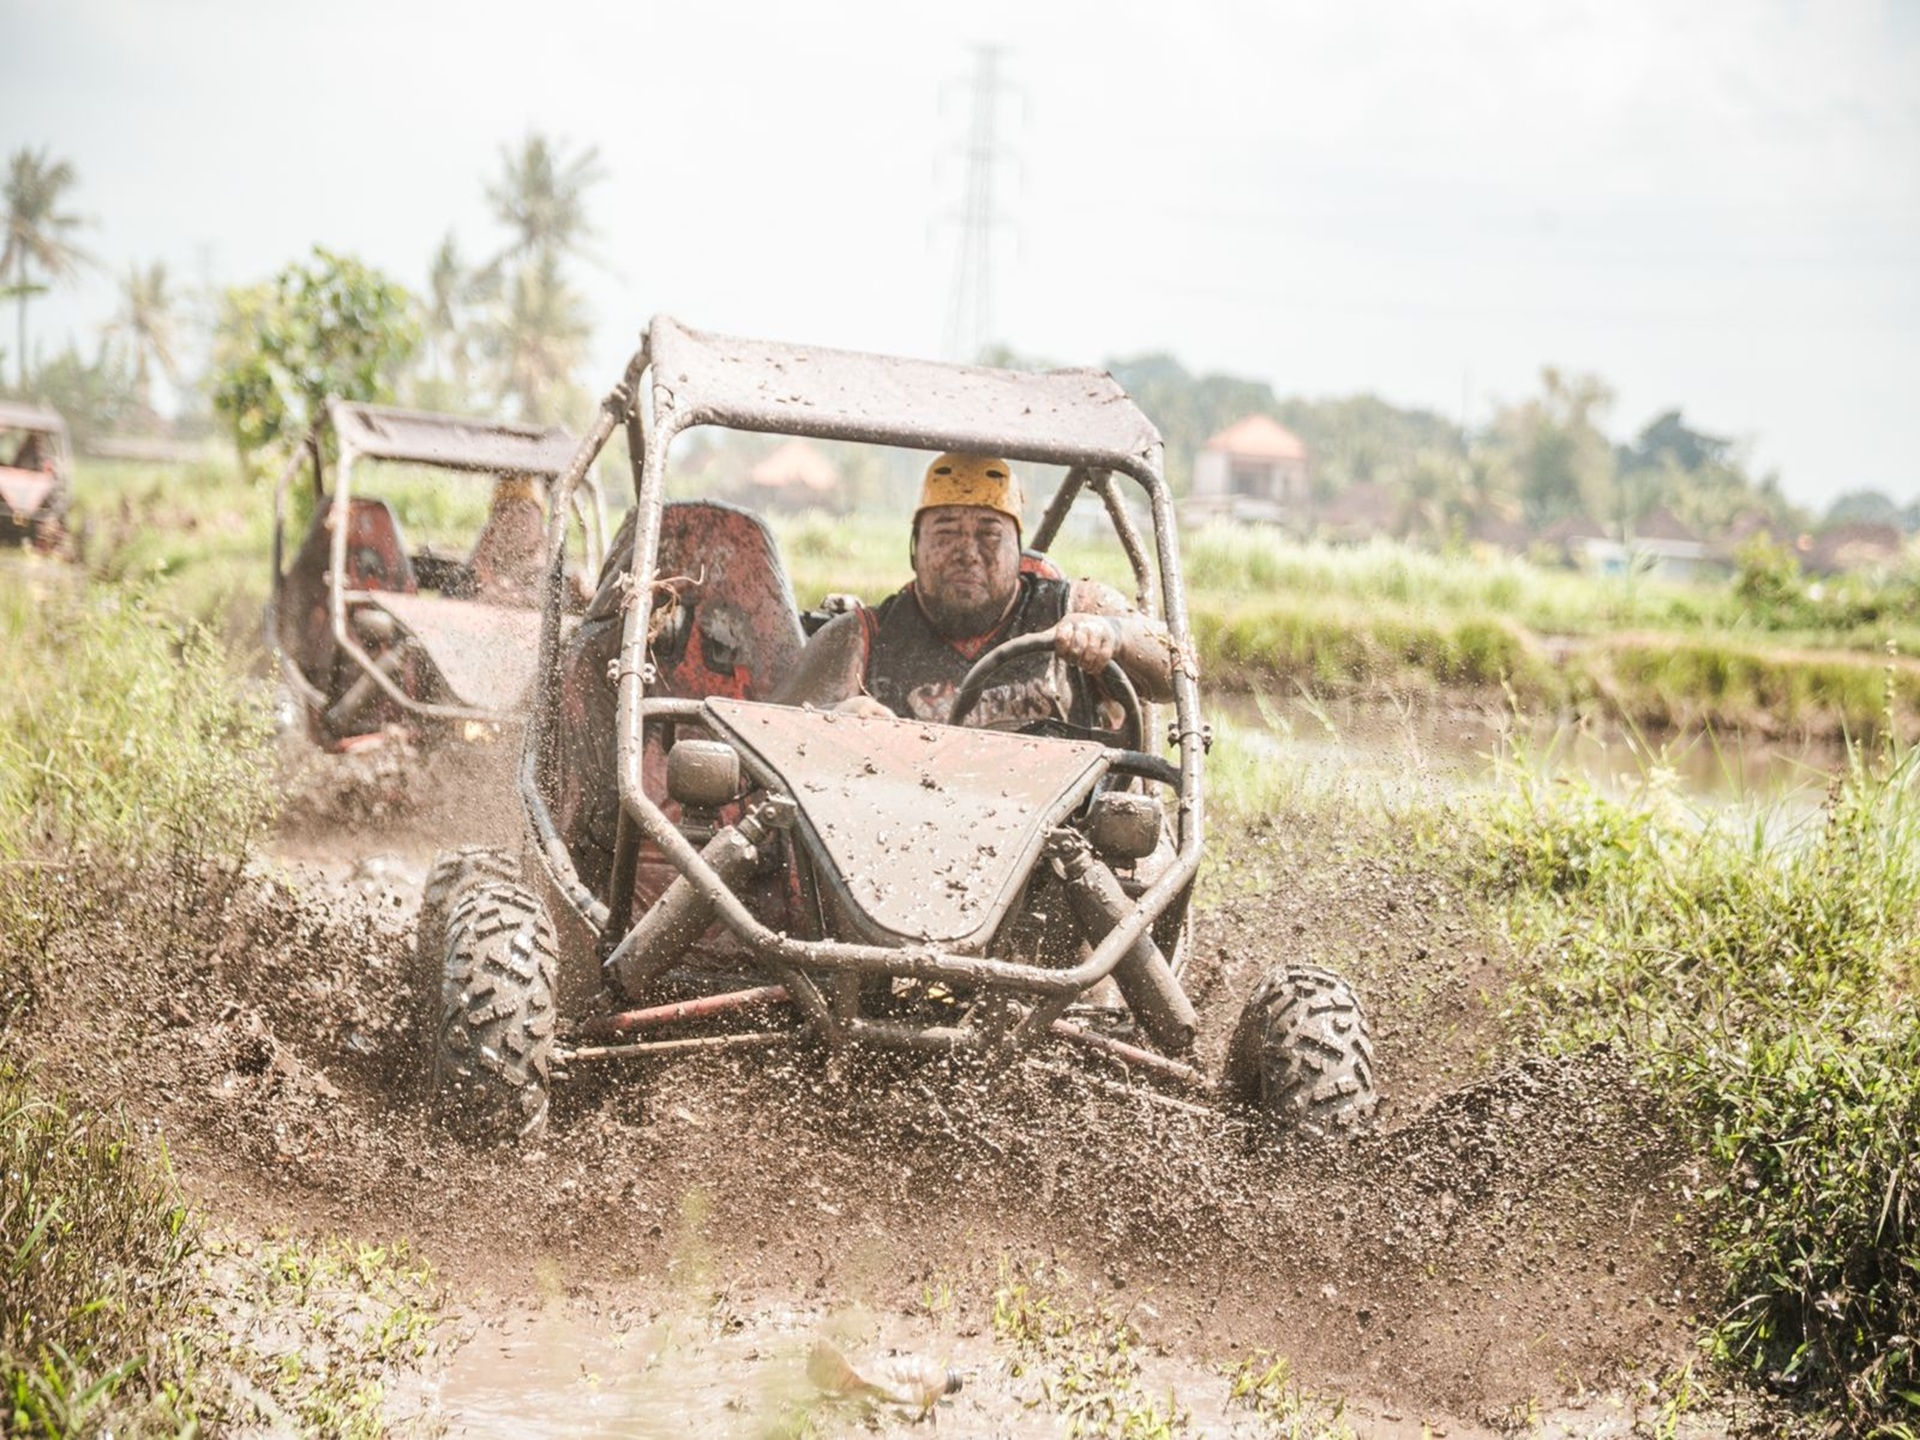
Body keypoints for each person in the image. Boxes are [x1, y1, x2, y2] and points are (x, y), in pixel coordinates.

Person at [779, 453, 1175, 728]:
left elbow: (1176, 673)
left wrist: (1114, 635)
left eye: (988, 534)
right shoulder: (859, 639)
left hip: (1062, 838)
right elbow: (769, 733)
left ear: (1017, 552)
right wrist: (835, 718)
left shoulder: (1076, 607)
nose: (967, 553)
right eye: (946, 533)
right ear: (915, 549)